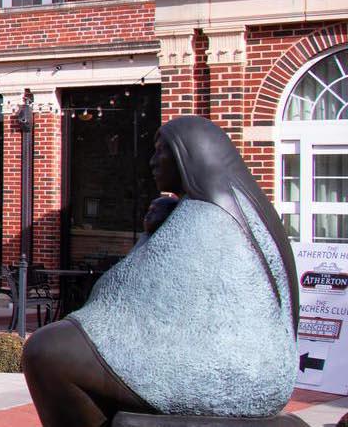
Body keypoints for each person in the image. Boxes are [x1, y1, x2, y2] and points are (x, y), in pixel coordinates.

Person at [22, 116, 297, 427]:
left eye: (160, 151)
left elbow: (123, 287)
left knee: (47, 352)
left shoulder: (204, 218)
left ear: (186, 156)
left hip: (236, 370)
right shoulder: (221, 207)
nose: (152, 162)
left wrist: (148, 236)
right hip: (244, 358)